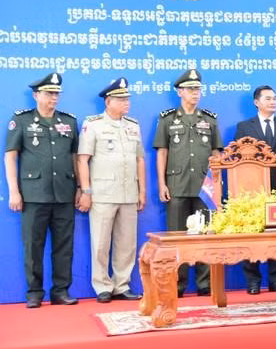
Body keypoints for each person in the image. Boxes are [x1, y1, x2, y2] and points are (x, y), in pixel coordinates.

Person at [4, 72, 80, 308]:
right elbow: (10, 156)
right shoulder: (22, 120)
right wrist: (14, 191)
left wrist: (79, 188)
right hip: (33, 193)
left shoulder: (68, 121)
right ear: (36, 95)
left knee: (64, 246)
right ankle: (34, 292)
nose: (54, 98)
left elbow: (75, 156)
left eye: (56, 94)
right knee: (33, 245)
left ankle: (60, 291)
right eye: (49, 93)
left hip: (64, 193)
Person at [153, 69, 223, 297]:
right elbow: (162, 152)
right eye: (191, 89)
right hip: (177, 184)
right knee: (176, 236)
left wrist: (217, 186)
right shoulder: (167, 119)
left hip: (204, 187)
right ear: (180, 92)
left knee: (205, 234)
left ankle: (205, 283)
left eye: (198, 89)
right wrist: (162, 183)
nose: (196, 93)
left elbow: (216, 154)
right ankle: (178, 284)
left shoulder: (210, 119)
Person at [77, 77, 145, 303]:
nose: (127, 102)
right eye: (121, 99)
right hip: (103, 193)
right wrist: (86, 191)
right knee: (101, 242)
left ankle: (122, 285)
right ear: (108, 101)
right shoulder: (93, 125)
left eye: (127, 99)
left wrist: (141, 190)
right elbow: (82, 160)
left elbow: (139, 160)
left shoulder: (133, 126)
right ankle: (102, 286)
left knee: (127, 243)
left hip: (128, 193)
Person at [234, 85, 276, 294]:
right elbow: (237, 160)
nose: (273, 102)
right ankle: (253, 280)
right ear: (257, 102)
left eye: (275, 98)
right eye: (268, 98)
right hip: (251, 190)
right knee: (251, 234)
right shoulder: (244, 127)